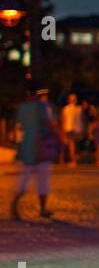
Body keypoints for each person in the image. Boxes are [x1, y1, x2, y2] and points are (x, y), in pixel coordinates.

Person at [13, 83, 60, 219]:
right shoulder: (41, 107)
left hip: (27, 146)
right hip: (41, 145)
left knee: (24, 178)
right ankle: (43, 208)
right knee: (43, 179)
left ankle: (14, 205)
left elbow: (21, 125)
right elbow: (48, 124)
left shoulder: (21, 108)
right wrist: (56, 136)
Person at [60, 92, 84, 164]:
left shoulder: (65, 109)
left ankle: (73, 161)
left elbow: (64, 121)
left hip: (69, 128)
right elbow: (82, 120)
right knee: (75, 145)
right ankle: (74, 159)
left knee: (71, 145)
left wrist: (63, 131)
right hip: (78, 129)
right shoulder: (79, 109)